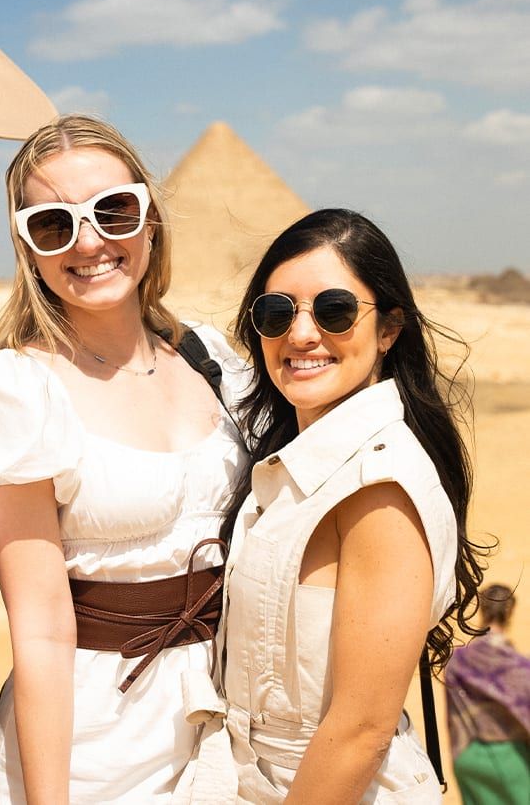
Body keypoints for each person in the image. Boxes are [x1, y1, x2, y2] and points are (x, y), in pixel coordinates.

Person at [0, 115, 251, 804]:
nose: (90, 241)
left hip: (229, 720)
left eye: (113, 210)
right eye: (53, 224)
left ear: (150, 217)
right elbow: (42, 630)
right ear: (26, 245)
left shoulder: (214, 360)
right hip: (97, 741)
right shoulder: (12, 393)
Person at [185, 208, 486, 803]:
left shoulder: (378, 489)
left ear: (390, 329)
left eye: (335, 310)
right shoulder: (295, 464)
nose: (301, 335)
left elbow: (359, 733)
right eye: (276, 313)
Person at [446, 583, 530, 804]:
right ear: (509, 612)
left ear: (482, 609)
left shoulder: (456, 661)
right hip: (510, 758)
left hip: (467, 756)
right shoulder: (520, 667)